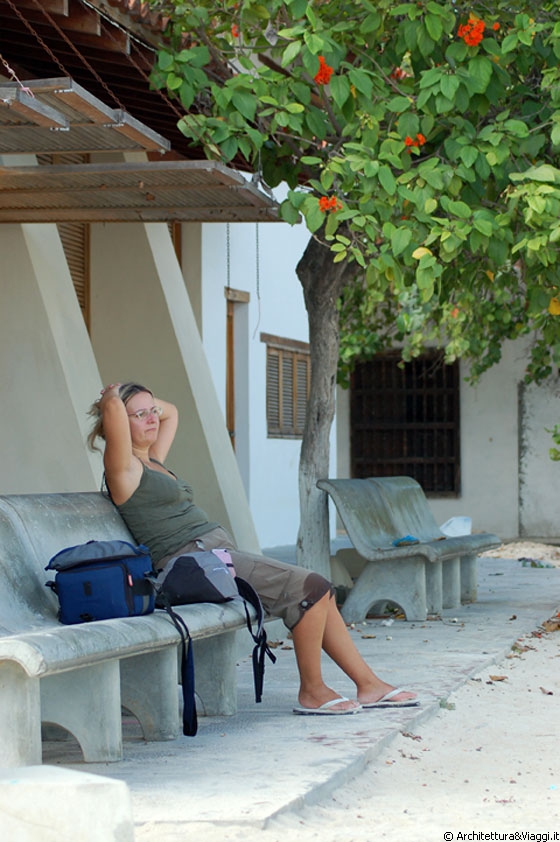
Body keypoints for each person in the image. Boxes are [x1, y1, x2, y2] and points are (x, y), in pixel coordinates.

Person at [88, 381, 418, 715]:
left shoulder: (154, 459)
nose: (152, 418)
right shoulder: (124, 469)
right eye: (139, 415)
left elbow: (172, 412)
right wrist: (112, 395)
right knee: (311, 588)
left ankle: (369, 685)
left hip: (214, 556)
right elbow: (116, 411)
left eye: (151, 411)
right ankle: (312, 690)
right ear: (117, 424)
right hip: (191, 564)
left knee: (323, 592)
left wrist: (141, 401)